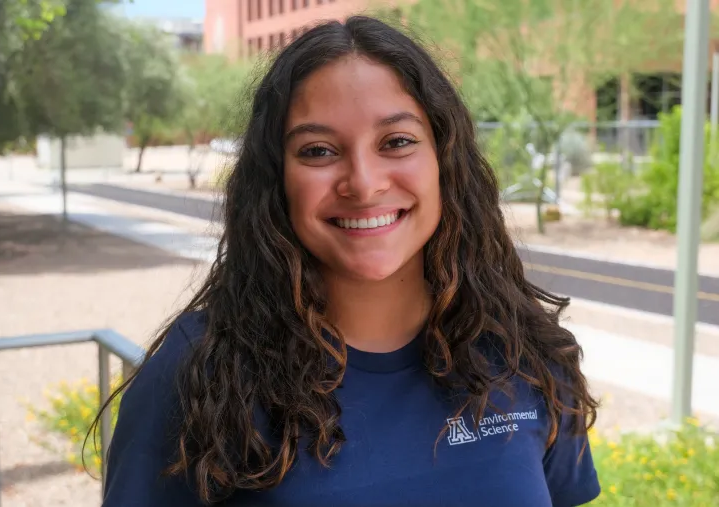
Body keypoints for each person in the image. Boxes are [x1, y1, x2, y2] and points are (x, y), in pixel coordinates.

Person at [98, 15, 601, 507]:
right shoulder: (196, 375)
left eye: (397, 142)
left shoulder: (527, 354)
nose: (363, 182)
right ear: (276, 180)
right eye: (318, 151)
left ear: (445, 160)